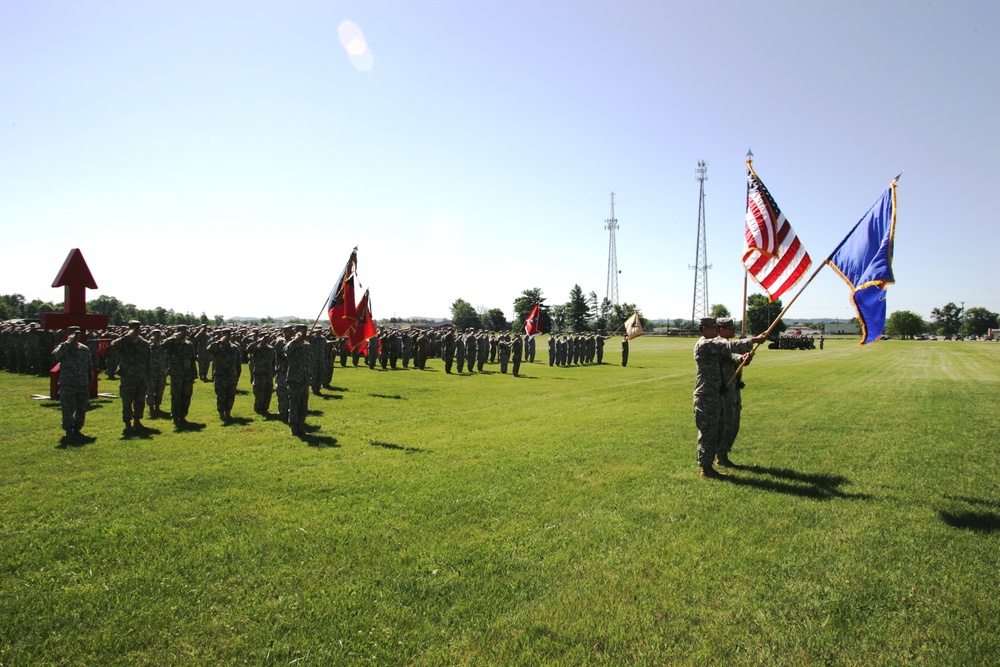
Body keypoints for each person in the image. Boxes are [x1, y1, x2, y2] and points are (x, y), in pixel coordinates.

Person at [693, 317, 765, 479]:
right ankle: (706, 468)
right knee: (709, 431)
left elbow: (731, 355)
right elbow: (728, 345)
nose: (717, 330)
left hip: (720, 393)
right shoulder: (704, 344)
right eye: (714, 328)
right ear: (704, 328)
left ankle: (721, 458)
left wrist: (743, 358)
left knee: (722, 428)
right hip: (707, 395)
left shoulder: (714, 345)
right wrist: (754, 339)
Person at [716, 317, 752, 468]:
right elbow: (728, 351)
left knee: (733, 424)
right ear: (721, 329)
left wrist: (745, 356)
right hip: (722, 390)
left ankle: (723, 455)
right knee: (722, 424)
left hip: (733, 388)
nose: (733, 330)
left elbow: (735, 357)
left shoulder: (731, 344)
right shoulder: (717, 343)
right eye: (730, 328)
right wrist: (751, 341)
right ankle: (718, 456)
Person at [52, 326, 95, 438]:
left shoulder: (84, 349)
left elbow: (89, 366)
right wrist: (68, 343)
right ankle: (68, 430)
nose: (77, 336)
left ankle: (77, 429)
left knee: (81, 409)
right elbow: (56, 355)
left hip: (82, 384)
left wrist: (90, 380)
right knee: (68, 409)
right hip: (68, 384)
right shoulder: (64, 347)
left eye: (78, 334)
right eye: (74, 334)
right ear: (69, 334)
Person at [109, 320, 151, 430]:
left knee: (140, 400)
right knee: (127, 401)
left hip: (141, 376)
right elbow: (114, 345)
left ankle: (137, 421)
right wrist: (128, 336)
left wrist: (148, 375)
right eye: (135, 329)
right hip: (128, 377)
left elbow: (148, 360)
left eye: (138, 329)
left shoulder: (144, 343)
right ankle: (128, 423)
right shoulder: (124, 342)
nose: (137, 331)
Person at [161, 324, 198, 426]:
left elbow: (192, 360)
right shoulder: (173, 343)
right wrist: (175, 337)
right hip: (176, 374)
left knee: (186, 396)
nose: (184, 333)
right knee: (176, 396)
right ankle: (176, 417)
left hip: (187, 374)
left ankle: (182, 416)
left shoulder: (189, 344)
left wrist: (194, 374)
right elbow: (163, 345)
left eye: (185, 331)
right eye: (182, 331)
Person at [207, 328, 242, 421]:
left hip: (232, 376)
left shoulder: (234, 348)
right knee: (221, 395)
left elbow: (238, 363)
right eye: (226, 335)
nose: (228, 337)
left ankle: (228, 412)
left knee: (230, 395)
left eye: (229, 335)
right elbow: (209, 349)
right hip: (220, 376)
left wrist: (237, 375)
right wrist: (219, 342)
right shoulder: (218, 347)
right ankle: (221, 413)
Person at [284, 324, 312, 436]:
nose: (305, 334)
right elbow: (286, 351)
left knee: (303, 405)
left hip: (304, 379)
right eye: (303, 332)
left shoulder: (307, 346)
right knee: (294, 405)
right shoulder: (292, 344)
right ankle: (294, 428)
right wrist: (297, 339)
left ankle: (300, 426)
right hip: (294, 379)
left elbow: (309, 361)